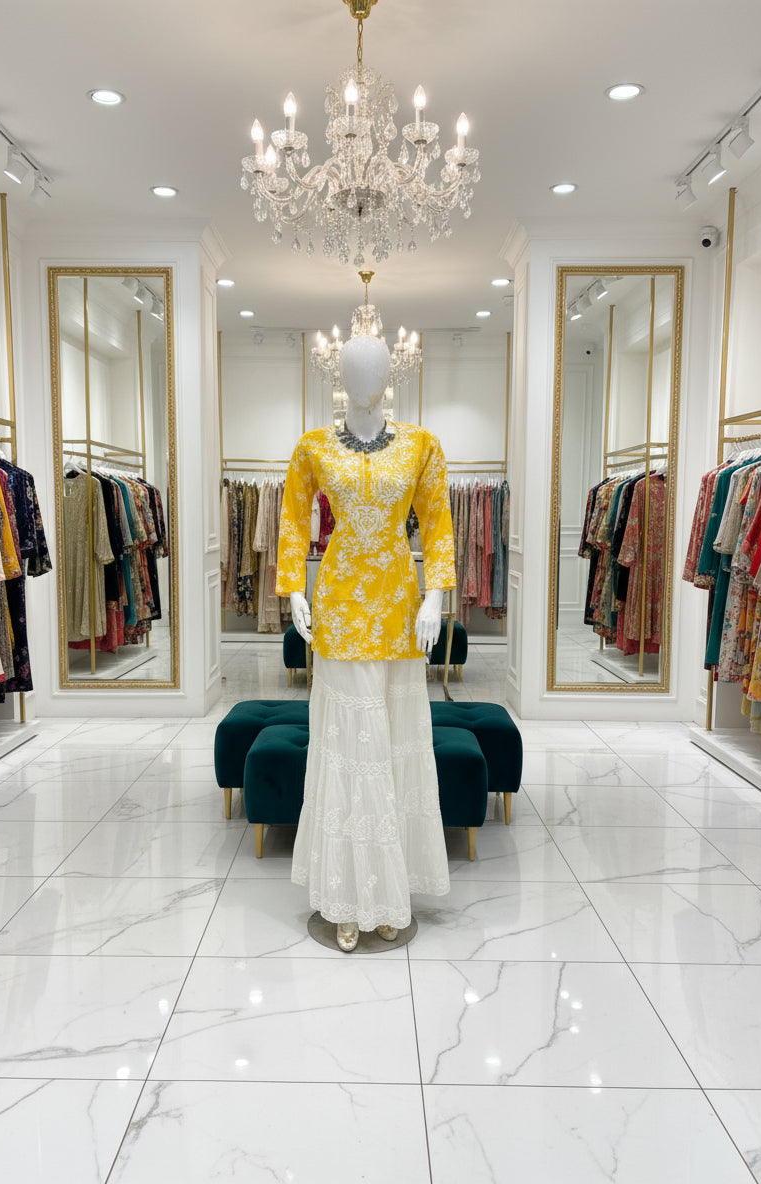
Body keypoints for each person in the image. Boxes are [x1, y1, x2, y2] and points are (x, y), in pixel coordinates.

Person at [276, 333, 455, 951]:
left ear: (390, 373)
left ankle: (387, 891)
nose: (363, 376)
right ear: (340, 374)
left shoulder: (423, 446)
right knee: (353, 748)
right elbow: (294, 520)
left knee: (394, 745)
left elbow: (436, 526)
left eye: (374, 366)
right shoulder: (313, 447)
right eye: (353, 367)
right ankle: (346, 894)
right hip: (341, 605)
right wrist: (293, 589)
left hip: (401, 610)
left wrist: (436, 596)